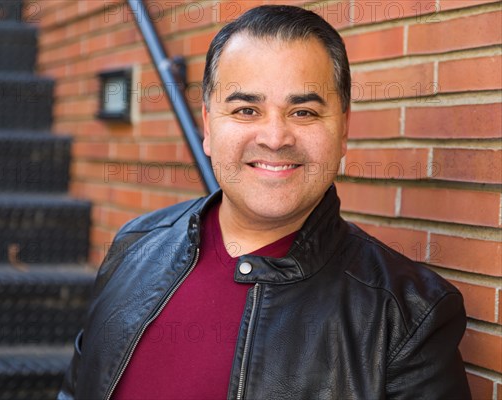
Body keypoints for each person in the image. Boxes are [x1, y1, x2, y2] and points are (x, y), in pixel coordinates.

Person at [59, 5, 471, 399]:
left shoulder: (407, 316)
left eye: (304, 113)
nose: (275, 138)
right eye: (246, 109)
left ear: (344, 129)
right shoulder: (136, 244)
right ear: (207, 125)